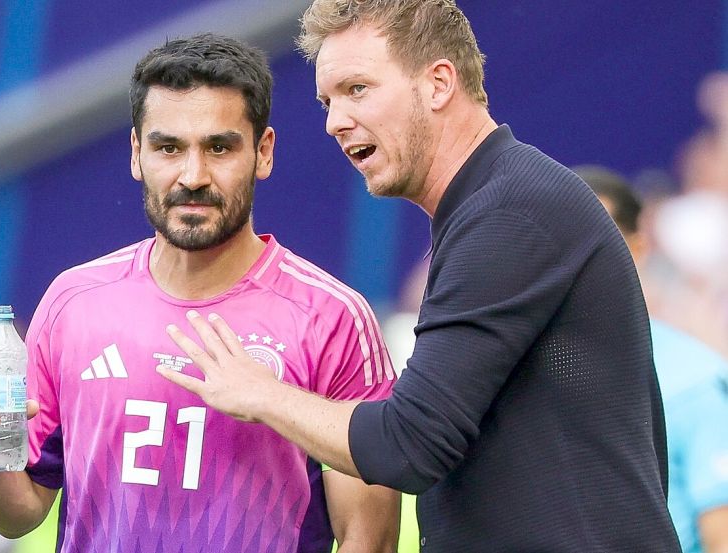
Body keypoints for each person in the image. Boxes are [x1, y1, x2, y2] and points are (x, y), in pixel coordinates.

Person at [158, 2, 681, 551]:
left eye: (357, 88)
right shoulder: (498, 203)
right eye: (327, 100)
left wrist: (263, 393)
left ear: (438, 84)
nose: (334, 120)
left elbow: (409, 443)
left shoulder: (509, 213)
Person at [0, 33, 400, 552]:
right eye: (168, 147)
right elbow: (19, 514)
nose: (193, 175)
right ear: (137, 154)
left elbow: (372, 540)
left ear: (263, 153)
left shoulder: (332, 317)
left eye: (219, 147)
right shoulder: (74, 302)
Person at [580, 165, 728, 553]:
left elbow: (721, 534)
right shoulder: (515, 368)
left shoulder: (695, 381)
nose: (577, 257)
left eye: (599, 237)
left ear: (639, 246)